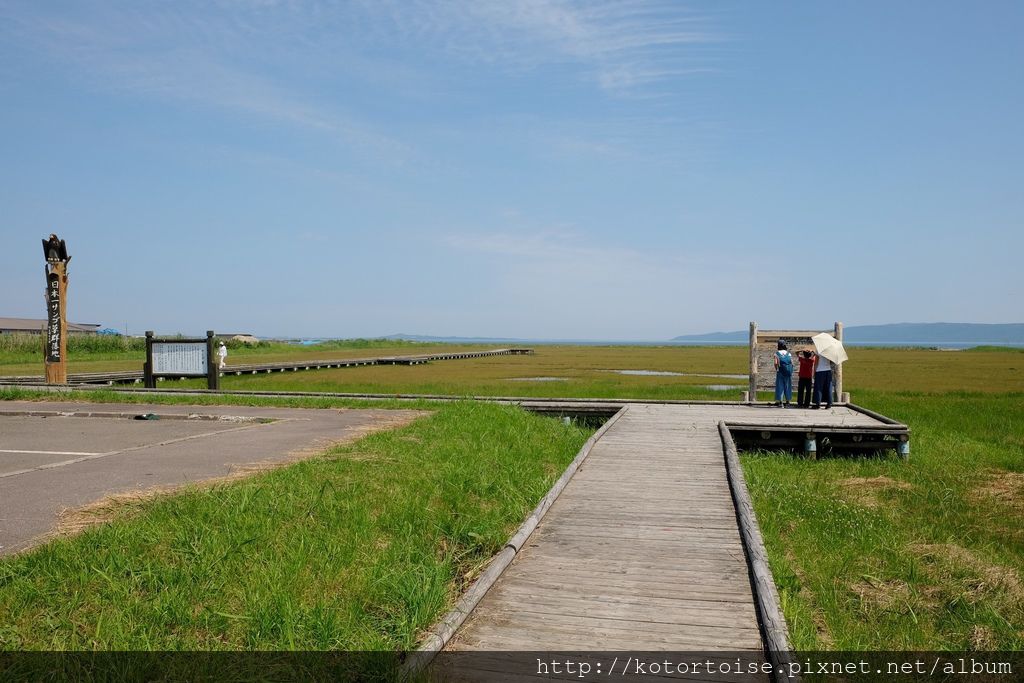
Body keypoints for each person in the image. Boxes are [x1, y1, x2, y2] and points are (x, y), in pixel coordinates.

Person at [773, 340, 793, 407]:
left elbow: (775, 363)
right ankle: (788, 402)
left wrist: (777, 369)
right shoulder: (789, 353)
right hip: (788, 372)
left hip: (780, 372)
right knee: (787, 386)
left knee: (780, 386)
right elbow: (791, 363)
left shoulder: (777, 353)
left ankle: (780, 402)